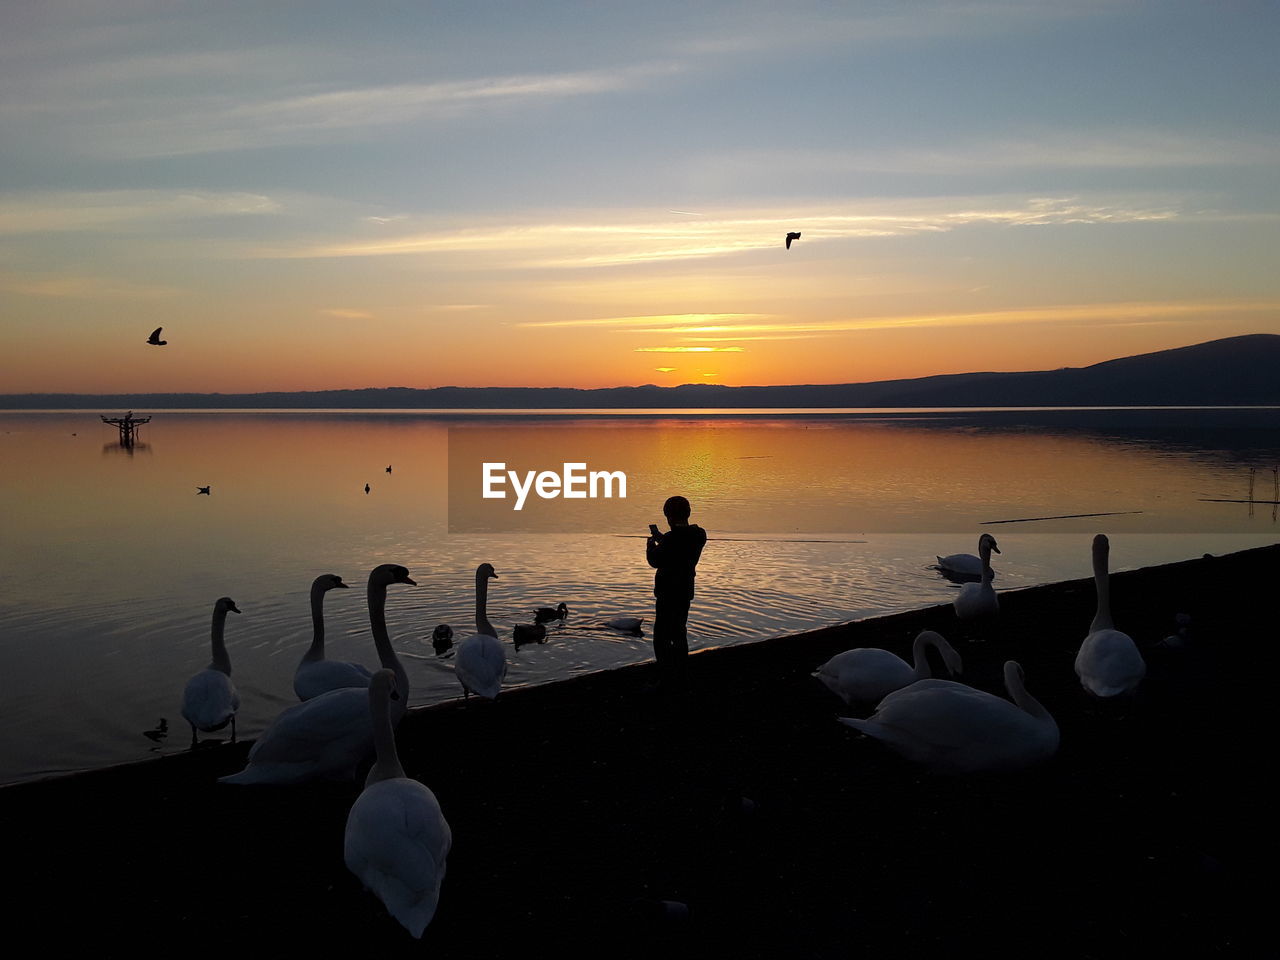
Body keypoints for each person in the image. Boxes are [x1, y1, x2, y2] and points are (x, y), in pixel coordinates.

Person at [646, 496, 707, 687]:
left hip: (667, 593)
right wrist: (663, 539)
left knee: (662, 636)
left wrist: (650, 546)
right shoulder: (699, 534)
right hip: (685, 590)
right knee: (679, 632)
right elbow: (680, 543)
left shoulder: (671, 540)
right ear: (688, 513)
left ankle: (665, 676)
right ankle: (681, 673)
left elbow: (655, 560)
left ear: (668, 516)